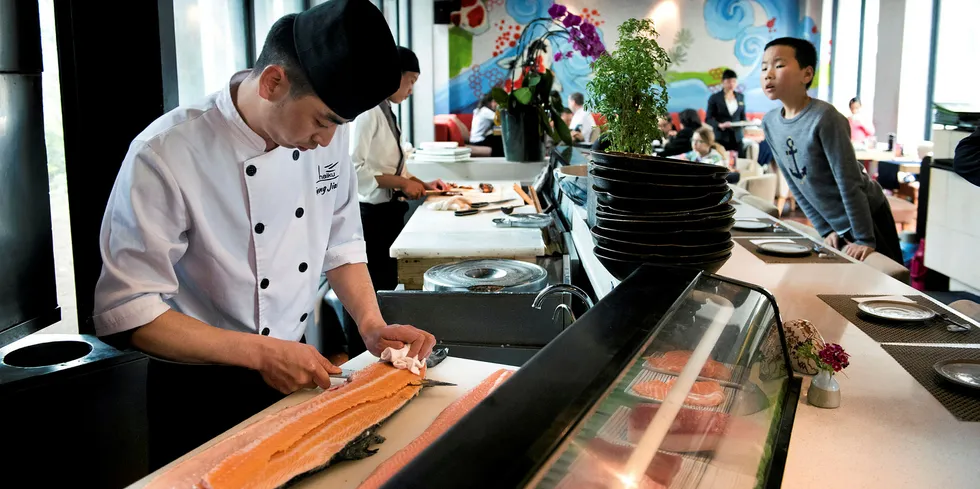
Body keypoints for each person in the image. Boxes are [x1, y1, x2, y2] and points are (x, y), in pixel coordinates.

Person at [92, 0, 437, 469]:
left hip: (289, 374)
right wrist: (260, 353)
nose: (328, 142)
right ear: (274, 82)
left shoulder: (323, 147)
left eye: (340, 126)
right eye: (322, 121)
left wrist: (372, 325)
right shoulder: (166, 153)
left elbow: (342, 244)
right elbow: (130, 311)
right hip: (198, 390)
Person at [760, 37, 902, 264]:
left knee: (889, 282)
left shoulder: (826, 118)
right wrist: (825, 229)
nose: (768, 74)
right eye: (764, 67)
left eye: (778, 65)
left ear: (806, 74)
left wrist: (864, 238)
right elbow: (796, 184)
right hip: (835, 223)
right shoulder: (770, 123)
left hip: (867, 216)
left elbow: (848, 181)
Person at [351, 46, 448, 295]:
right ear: (393, 75)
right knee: (377, 286)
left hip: (388, 213)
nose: (411, 90)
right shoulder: (367, 112)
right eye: (411, 81)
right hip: (371, 217)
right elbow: (355, 169)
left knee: (388, 281)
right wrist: (403, 184)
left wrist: (422, 183)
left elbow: (391, 166)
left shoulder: (385, 110)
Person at [705, 69, 747, 154]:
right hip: (721, 137)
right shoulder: (714, 98)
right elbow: (708, 119)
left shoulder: (740, 97)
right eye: (728, 81)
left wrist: (746, 124)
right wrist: (719, 125)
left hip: (737, 137)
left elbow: (743, 117)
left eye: (734, 81)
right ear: (723, 82)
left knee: (739, 162)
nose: (731, 84)